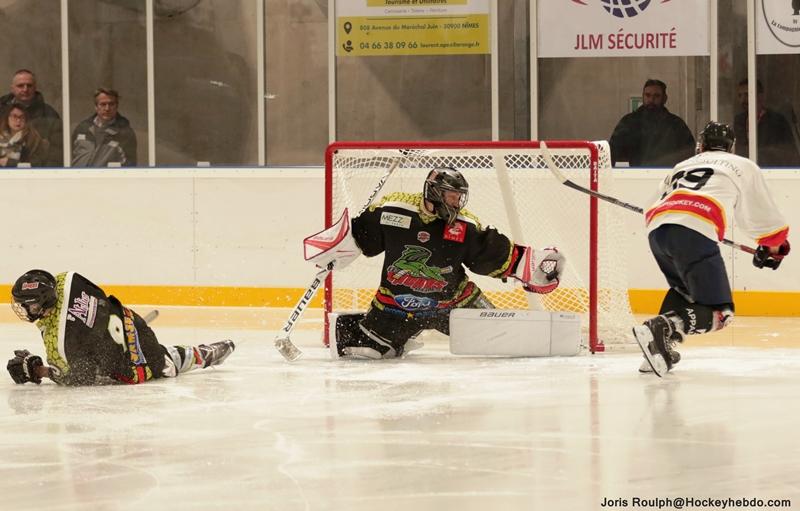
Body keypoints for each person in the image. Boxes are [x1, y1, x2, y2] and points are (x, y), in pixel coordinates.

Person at [306, 167, 566, 360]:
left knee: (498, 338)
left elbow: (491, 251)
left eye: (459, 197)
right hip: (394, 307)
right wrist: (336, 247)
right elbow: (361, 235)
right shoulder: (393, 211)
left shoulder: (464, 226)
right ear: (433, 192)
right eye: (452, 196)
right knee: (366, 351)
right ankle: (390, 333)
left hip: (453, 304)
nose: (457, 203)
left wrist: (531, 266)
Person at [633, 122, 790, 377]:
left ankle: (655, 351)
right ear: (732, 147)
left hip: (658, 233)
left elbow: (650, 207)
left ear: (701, 145)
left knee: (685, 292)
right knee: (721, 313)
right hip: (694, 232)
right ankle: (662, 328)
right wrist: (772, 248)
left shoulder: (682, 165)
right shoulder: (742, 165)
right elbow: (762, 217)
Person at [7, 269, 235, 386]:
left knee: (163, 362)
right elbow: (99, 297)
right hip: (133, 324)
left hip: (134, 364)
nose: (24, 309)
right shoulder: (69, 280)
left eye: (28, 305)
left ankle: (201, 355)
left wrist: (39, 371)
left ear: (42, 303)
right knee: (152, 352)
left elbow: (79, 378)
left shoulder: (60, 341)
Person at [609, 79, 696, 167]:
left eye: (656, 96)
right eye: (647, 95)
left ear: (664, 98)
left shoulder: (676, 125)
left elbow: (690, 154)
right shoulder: (628, 123)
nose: (651, 100)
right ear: (643, 96)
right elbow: (612, 153)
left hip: (667, 173)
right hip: (635, 173)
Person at [0, 69, 63, 166]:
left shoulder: (49, 115)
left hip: (34, 170)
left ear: (35, 88)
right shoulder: (1, 109)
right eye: (20, 85)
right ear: (12, 88)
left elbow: (56, 155)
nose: (25, 89)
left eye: (29, 85)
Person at [733, 78, 800, 167]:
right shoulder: (739, 120)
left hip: (771, 170)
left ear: (760, 96)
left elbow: (788, 152)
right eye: (740, 96)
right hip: (744, 169)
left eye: (747, 95)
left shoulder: (777, 120)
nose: (742, 100)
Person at [71, 88, 138, 167]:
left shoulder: (125, 133)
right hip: (79, 174)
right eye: (103, 104)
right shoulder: (82, 128)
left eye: (111, 104)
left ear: (117, 106)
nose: (107, 108)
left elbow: (130, 165)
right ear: (96, 107)